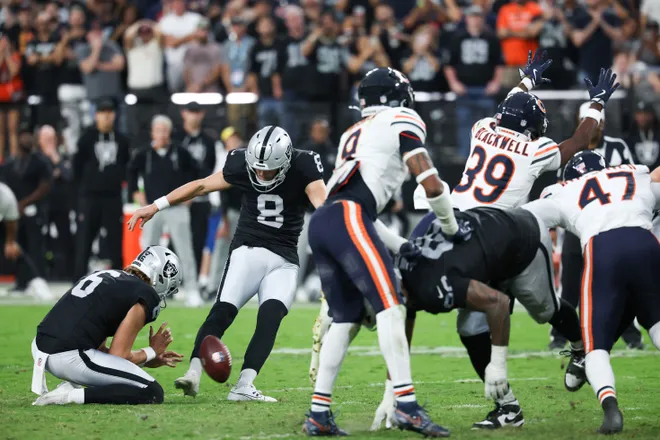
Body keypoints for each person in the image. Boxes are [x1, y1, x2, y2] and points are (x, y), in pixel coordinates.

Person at [410, 55, 620, 429]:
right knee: (478, 325)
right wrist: (597, 103)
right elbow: (580, 139)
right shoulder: (535, 150)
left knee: (541, 309)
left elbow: (506, 108)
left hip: (494, 236)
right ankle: (508, 407)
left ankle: (578, 348)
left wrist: (526, 81)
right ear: (532, 127)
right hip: (491, 236)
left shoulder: (480, 128)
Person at [303, 67, 458, 437]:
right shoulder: (402, 118)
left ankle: (318, 415)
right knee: (392, 305)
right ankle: (406, 406)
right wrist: (451, 226)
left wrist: (403, 245)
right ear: (397, 96)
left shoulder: (352, 133)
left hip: (325, 221)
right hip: (348, 216)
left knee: (346, 318)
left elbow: (359, 212)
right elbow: (428, 179)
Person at [128, 125, 327, 402]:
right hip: (247, 250)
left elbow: (323, 203)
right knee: (221, 312)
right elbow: (200, 185)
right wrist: (155, 205)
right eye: (256, 168)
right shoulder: (241, 162)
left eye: (267, 170)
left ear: (285, 161)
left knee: (270, 319)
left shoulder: (304, 164)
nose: (260, 174)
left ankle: (245, 386)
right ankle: (193, 374)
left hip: (285, 259)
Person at [524, 152, 660, 434]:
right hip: (647, 243)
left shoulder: (562, 190)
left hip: (604, 248)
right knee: (657, 323)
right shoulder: (634, 174)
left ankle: (611, 411)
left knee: (594, 345)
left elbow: (530, 217)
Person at [30, 246, 184, 406]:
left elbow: (102, 352)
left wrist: (147, 359)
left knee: (122, 380)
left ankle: (70, 390)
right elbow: (118, 356)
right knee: (152, 391)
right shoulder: (144, 294)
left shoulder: (107, 276)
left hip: (41, 347)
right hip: (69, 355)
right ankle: (69, 395)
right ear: (161, 278)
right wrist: (151, 351)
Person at [549, 99, 641, 350]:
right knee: (569, 285)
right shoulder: (568, 151)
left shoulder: (617, 147)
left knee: (618, 282)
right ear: (581, 124)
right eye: (590, 122)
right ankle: (559, 334)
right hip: (577, 226)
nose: (595, 127)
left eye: (599, 123)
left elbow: (633, 181)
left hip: (609, 225)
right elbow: (560, 192)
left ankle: (630, 334)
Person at [127, 115, 202, 307]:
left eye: (165, 130)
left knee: (185, 249)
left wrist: (190, 197)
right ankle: (143, 290)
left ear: (169, 132)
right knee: (148, 250)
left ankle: (192, 290)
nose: (161, 134)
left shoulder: (181, 152)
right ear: (153, 132)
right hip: (152, 208)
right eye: (158, 130)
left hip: (176, 207)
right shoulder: (144, 153)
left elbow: (197, 174)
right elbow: (131, 172)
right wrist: (136, 193)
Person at [73, 100, 130, 281]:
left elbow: (126, 165)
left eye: (110, 111)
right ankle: (77, 280)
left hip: (112, 197)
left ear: (114, 115)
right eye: (103, 111)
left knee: (115, 241)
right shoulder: (86, 138)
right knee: (84, 240)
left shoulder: (122, 140)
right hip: (90, 197)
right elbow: (77, 167)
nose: (106, 115)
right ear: (96, 115)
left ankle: (119, 282)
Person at [445, 5, 504, 158]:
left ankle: (487, 157)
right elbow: (449, 64)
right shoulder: (457, 38)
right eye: (472, 16)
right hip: (464, 89)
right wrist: (454, 83)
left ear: (483, 19)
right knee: (464, 125)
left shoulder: (491, 39)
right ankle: (465, 158)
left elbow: (499, 64)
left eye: (478, 16)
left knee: (489, 126)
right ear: (467, 19)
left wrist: (495, 83)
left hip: (485, 89)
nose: (475, 20)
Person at [1, 127, 52, 292]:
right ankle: (22, 281)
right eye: (23, 136)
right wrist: (13, 206)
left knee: (35, 246)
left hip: (33, 210)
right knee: (17, 244)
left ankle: (38, 280)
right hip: (13, 212)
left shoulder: (41, 161)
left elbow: (45, 185)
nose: (26, 140)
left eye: (29, 136)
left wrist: (24, 203)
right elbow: (4, 187)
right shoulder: (10, 162)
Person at [174, 102, 216, 272]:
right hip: (180, 198)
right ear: (184, 113)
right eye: (191, 112)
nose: (194, 116)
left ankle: (196, 280)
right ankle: (175, 279)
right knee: (177, 241)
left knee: (199, 240)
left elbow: (210, 166)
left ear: (202, 114)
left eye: (197, 112)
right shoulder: (176, 138)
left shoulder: (208, 140)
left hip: (200, 198)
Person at [39, 125, 74, 280]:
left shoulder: (62, 156)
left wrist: (57, 161)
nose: (50, 142)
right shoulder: (37, 157)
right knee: (40, 240)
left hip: (61, 205)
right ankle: (41, 273)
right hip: (42, 205)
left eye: (52, 139)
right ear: (39, 140)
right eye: (46, 139)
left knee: (65, 239)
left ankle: (67, 272)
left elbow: (69, 176)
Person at [55, 6, 89, 153]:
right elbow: (57, 59)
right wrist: (65, 41)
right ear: (69, 18)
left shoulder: (88, 36)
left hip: (86, 85)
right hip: (67, 86)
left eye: (79, 15)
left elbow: (88, 58)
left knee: (87, 123)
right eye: (73, 15)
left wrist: (75, 54)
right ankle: (72, 156)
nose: (76, 18)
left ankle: (87, 154)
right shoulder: (62, 36)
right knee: (70, 125)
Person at [25, 12, 61, 127]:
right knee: (38, 122)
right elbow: (31, 60)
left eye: (45, 23)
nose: (42, 26)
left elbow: (58, 58)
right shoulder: (32, 42)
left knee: (57, 122)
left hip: (55, 86)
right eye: (40, 23)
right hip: (37, 87)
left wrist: (39, 58)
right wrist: (50, 57)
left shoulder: (56, 39)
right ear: (36, 25)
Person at [247, 16, 284, 128]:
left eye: (268, 24)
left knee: (282, 125)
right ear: (257, 28)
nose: (266, 27)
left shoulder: (280, 45)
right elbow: (252, 71)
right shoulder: (255, 47)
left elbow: (281, 69)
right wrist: (254, 89)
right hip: (263, 93)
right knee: (264, 126)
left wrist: (278, 87)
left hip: (279, 95)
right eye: (263, 25)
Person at [159, 0, 203, 92]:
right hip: (174, 64)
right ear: (172, 4)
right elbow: (170, 43)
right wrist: (190, 36)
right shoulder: (165, 21)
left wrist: (177, 40)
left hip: (194, 64)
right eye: (176, 3)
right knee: (175, 93)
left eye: (181, 2)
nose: (179, 5)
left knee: (195, 93)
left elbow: (201, 38)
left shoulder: (196, 18)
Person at [183, 18, 225, 93]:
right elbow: (186, 70)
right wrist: (190, 85)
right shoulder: (190, 49)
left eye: (205, 30)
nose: (202, 33)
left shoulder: (216, 48)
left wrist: (201, 85)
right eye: (200, 30)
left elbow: (217, 70)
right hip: (192, 89)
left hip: (210, 89)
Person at [0, 32, 23, 160]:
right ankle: (1, 159)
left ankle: (14, 158)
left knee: (13, 129)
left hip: (13, 96)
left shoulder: (15, 55)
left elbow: (14, 70)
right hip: (0, 96)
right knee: (0, 132)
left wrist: (7, 54)